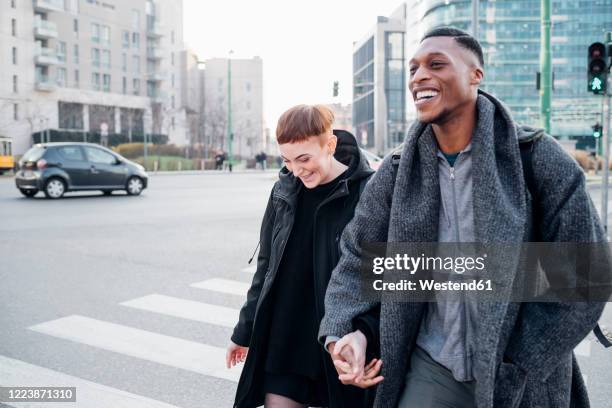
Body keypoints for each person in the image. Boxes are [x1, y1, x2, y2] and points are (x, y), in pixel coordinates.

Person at [319, 27, 611, 408]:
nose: (419, 76)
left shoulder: (538, 159)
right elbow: (358, 257)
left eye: (436, 64)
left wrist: (520, 359)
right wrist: (345, 332)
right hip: (431, 366)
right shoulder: (395, 171)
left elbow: (584, 277)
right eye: (413, 69)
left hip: (520, 375)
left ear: (476, 75)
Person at [227, 104, 375, 408]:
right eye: (287, 160)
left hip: (339, 339)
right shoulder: (284, 192)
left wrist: (365, 335)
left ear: (330, 144)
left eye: (304, 158)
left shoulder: (367, 192)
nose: (296, 170)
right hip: (287, 333)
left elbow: (378, 278)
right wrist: (244, 330)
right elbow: (267, 268)